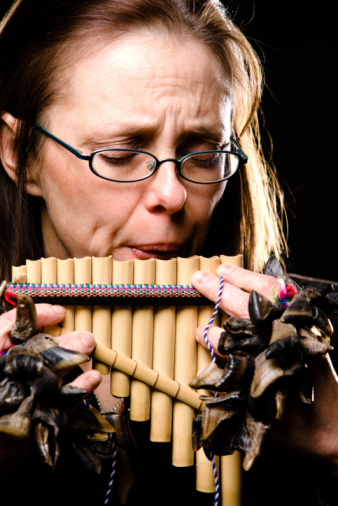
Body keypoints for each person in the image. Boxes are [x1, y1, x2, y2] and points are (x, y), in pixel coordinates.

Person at [0, 1, 337, 505]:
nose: (173, 195)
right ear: (19, 154)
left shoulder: (311, 370)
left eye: (203, 153)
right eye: (118, 153)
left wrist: (335, 448)